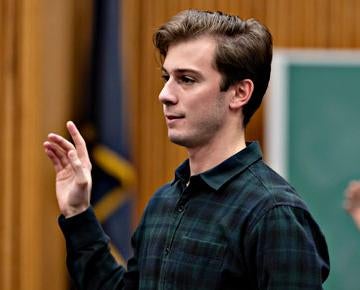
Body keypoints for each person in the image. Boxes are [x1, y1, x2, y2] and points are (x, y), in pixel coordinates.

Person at [43, 9, 330, 290]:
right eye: (166, 78)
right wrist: (78, 211)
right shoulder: (163, 203)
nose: (165, 95)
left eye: (187, 79)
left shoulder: (274, 214)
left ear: (240, 93)